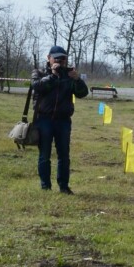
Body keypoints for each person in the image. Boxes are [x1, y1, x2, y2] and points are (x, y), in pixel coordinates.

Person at [29, 45, 89, 193]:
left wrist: (77, 80)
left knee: (64, 155)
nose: (59, 62)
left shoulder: (69, 76)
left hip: (63, 121)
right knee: (44, 154)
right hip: (44, 120)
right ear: (48, 59)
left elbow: (83, 93)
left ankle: (64, 186)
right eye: (56, 58)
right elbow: (37, 87)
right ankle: (45, 186)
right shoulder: (39, 73)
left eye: (62, 59)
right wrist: (53, 75)